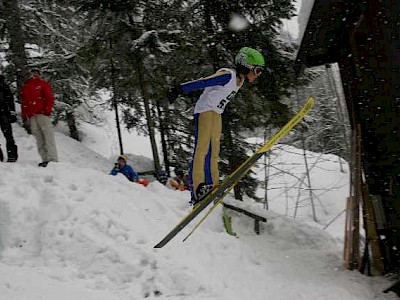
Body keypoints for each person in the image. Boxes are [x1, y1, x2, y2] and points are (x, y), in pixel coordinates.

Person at [168, 47, 265, 204]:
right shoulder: (228, 75)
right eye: (257, 70)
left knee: (214, 151)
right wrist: (180, 89)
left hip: (216, 113)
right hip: (204, 110)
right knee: (202, 149)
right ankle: (198, 188)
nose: (257, 75)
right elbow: (204, 82)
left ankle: (213, 184)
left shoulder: (239, 81)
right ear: (246, 65)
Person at [20, 68, 58, 167]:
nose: (34, 74)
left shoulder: (43, 84)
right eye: (33, 73)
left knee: (48, 137)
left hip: (42, 114)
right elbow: (24, 102)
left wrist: (47, 111)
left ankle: (52, 159)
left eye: (36, 73)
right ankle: (45, 159)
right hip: (32, 116)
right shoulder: (26, 86)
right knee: (39, 138)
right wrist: (25, 115)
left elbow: (49, 98)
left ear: (39, 74)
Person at [0, 75, 18, 162]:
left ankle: (12, 155)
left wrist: (12, 112)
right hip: (4, 113)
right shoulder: (4, 85)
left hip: (4, 114)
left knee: (8, 136)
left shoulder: (4, 86)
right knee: (8, 136)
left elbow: (10, 100)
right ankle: (11, 154)